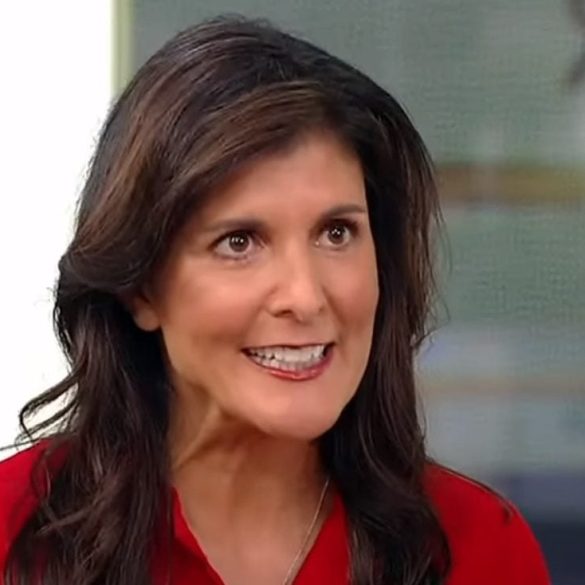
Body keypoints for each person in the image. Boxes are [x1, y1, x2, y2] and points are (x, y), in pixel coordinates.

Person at [0, 15, 550, 585]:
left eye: (336, 233)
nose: (305, 297)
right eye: (239, 242)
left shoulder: (480, 551)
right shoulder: (11, 535)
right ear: (140, 289)